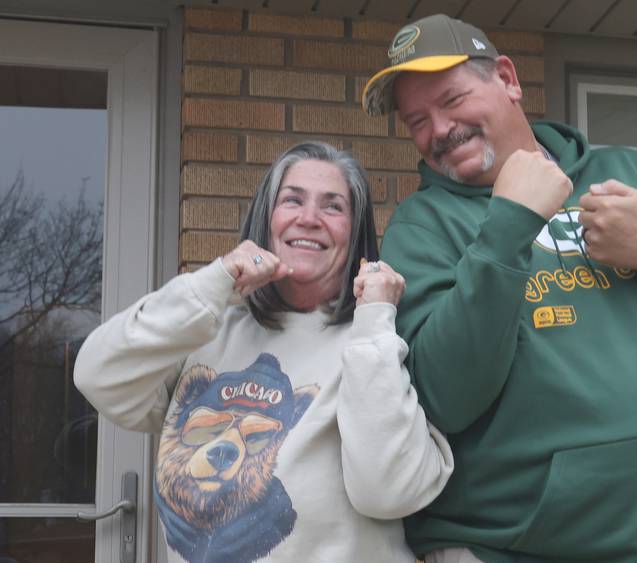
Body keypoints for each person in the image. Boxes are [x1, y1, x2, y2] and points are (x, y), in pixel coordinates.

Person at [362, 14, 637, 563]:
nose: (438, 130)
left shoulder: (625, 173)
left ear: (507, 79)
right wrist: (507, 225)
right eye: (417, 120)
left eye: (453, 100)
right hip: (516, 546)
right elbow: (444, 397)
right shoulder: (424, 224)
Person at [74, 141, 453, 563]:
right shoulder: (208, 336)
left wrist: (375, 318)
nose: (308, 219)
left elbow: (389, 491)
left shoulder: (377, 342)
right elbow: (97, 374)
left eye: (333, 207)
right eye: (292, 200)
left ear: (356, 232)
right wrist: (216, 283)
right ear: (266, 219)